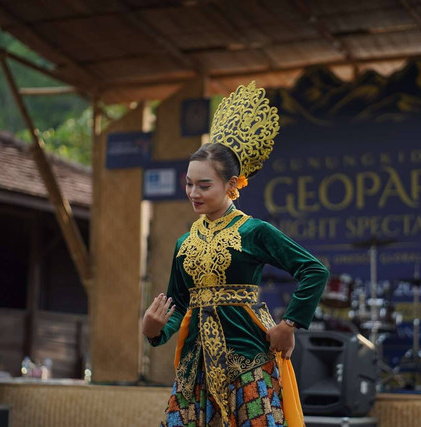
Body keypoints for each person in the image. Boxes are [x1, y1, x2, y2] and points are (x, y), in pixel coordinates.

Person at [142, 81, 329, 427]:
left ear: (231, 185)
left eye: (203, 185)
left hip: (247, 361)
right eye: (188, 183)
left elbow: (314, 270)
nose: (192, 193)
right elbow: (179, 304)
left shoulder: (254, 231)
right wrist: (154, 329)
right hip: (194, 370)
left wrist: (289, 325)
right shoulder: (185, 242)